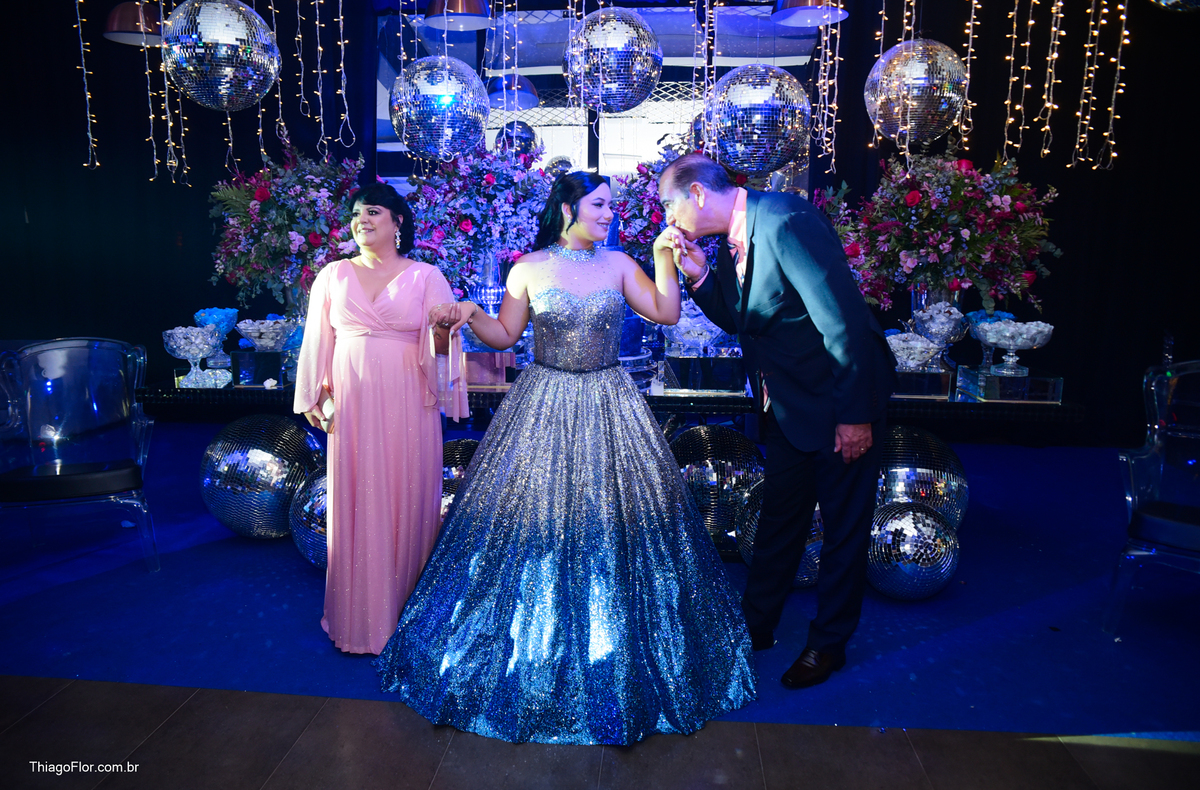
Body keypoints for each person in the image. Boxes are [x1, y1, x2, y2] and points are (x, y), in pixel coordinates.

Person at [373, 171, 756, 745]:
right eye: (599, 205)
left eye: (611, 206)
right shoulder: (527, 267)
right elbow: (506, 335)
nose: (609, 214)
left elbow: (667, 312)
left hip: (609, 400)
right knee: (534, 520)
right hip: (543, 401)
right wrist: (470, 313)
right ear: (568, 208)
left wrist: (664, 258)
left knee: (613, 525)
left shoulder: (620, 263)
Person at [656, 153, 896, 689]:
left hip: (838, 400)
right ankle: (756, 625)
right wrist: (698, 275)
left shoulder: (785, 221)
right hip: (786, 405)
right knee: (779, 520)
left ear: (697, 194)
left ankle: (828, 643)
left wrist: (855, 417)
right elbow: (740, 319)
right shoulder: (729, 241)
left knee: (843, 528)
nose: (668, 219)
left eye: (670, 206)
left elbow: (844, 323)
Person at [294, 183, 468, 655]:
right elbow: (316, 341)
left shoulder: (426, 275)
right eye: (356, 213)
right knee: (357, 499)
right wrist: (314, 396)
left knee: (407, 497)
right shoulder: (333, 274)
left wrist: (442, 331)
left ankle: (408, 620)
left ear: (397, 222)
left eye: (372, 211)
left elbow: (444, 348)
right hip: (352, 407)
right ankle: (358, 619)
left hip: (409, 403)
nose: (361, 221)